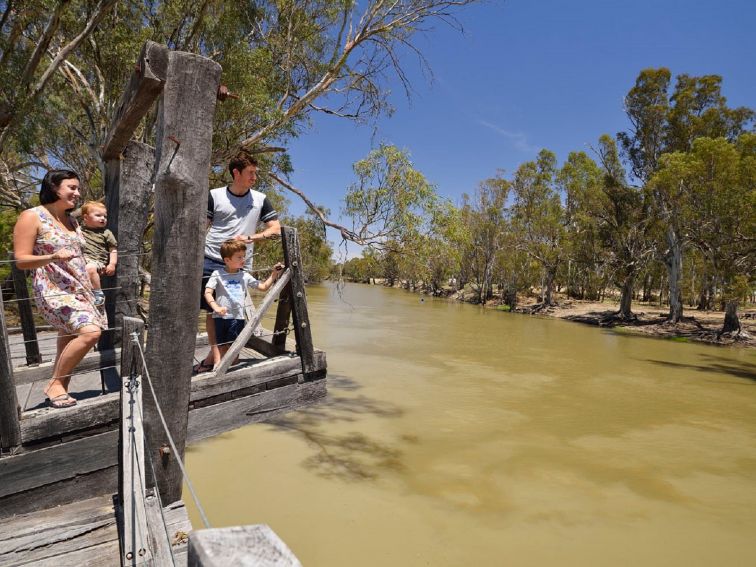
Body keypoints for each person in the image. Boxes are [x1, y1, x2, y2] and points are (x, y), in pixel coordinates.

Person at [13, 170, 106, 408]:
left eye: (78, 188)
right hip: (53, 288)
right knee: (90, 332)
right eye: (72, 188)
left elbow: (79, 256)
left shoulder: (72, 220)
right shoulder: (32, 216)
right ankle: (54, 383)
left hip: (79, 286)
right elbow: (21, 260)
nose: (77, 193)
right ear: (54, 187)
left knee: (69, 335)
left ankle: (60, 388)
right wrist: (53, 256)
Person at [194, 152, 281, 374]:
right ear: (236, 173)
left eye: (255, 173)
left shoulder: (260, 200)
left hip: (240, 263)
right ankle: (215, 358)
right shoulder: (214, 196)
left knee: (234, 310)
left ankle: (224, 357)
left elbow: (275, 229)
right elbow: (200, 227)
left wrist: (252, 238)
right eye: (250, 173)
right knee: (213, 311)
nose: (254, 177)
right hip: (211, 259)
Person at [203, 239, 284, 369]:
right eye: (239, 257)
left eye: (244, 256)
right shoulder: (217, 274)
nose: (243, 259)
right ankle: (218, 364)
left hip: (237, 318)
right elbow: (207, 292)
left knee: (234, 346)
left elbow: (263, 287)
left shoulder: (244, 275)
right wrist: (216, 307)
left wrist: (274, 274)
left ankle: (228, 366)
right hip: (219, 317)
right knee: (220, 344)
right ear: (227, 260)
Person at [79, 201, 117, 306]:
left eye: (105, 216)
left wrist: (112, 264)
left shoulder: (106, 233)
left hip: (97, 262)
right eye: (98, 215)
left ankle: (98, 293)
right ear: (85, 217)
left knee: (90, 268)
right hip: (81, 260)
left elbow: (113, 250)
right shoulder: (79, 230)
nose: (103, 218)